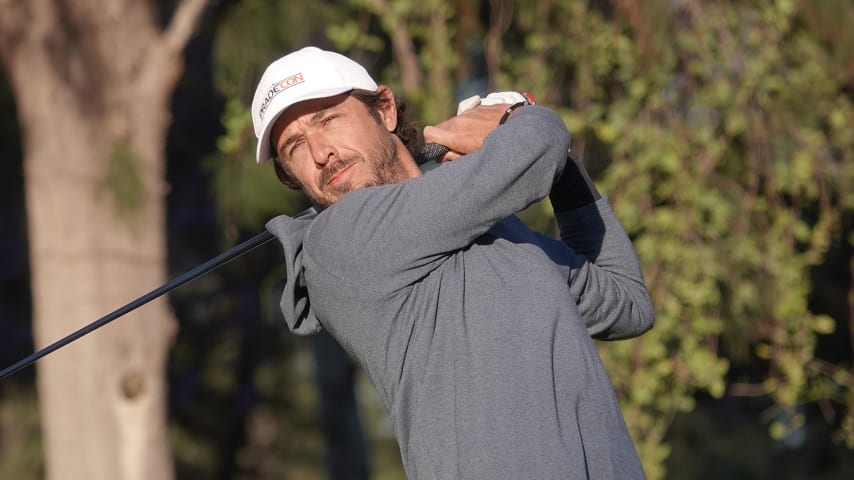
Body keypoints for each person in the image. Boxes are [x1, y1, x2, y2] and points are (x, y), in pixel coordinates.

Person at [252, 46, 655, 478]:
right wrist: (516, 113)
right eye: (294, 146)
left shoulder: (494, 230)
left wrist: (565, 170)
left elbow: (627, 303)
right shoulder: (338, 242)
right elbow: (538, 142)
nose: (319, 153)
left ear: (384, 110)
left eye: (327, 120)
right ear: (290, 174)